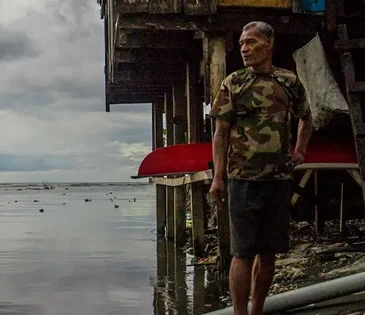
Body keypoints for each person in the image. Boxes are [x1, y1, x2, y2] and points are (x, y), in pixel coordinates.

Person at [209, 21, 313, 315]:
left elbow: (307, 117)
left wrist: (300, 150)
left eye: (251, 42)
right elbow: (220, 132)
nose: (244, 49)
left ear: (269, 44)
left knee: (268, 253)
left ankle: (258, 311)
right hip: (242, 179)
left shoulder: (288, 81)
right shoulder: (234, 83)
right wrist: (218, 177)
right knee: (242, 253)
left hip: (278, 179)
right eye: (242, 43)